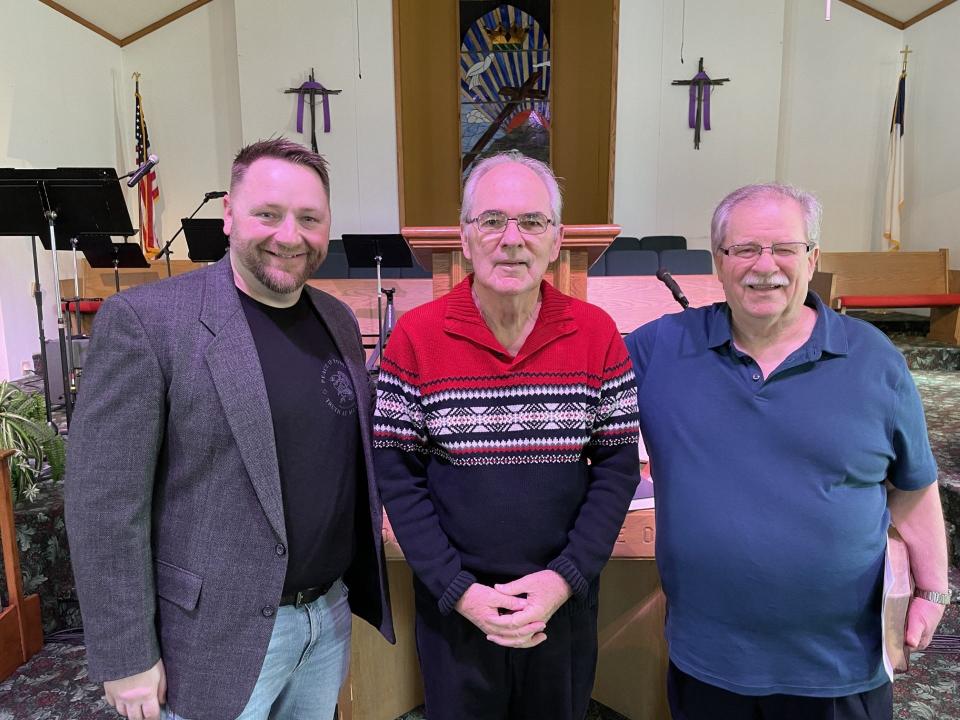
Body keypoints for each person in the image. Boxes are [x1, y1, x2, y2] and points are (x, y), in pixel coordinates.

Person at [65, 138, 393, 720]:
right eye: (268, 213)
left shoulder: (338, 321)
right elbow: (103, 503)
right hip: (209, 636)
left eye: (309, 219)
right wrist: (125, 655)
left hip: (326, 620)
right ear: (230, 216)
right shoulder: (148, 323)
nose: (289, 235)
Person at [625, 183, 949, 720]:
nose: (764, 267)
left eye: (784, 249)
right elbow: (574, 386)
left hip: (838, 669)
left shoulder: (873, 358)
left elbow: (913, 486)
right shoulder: (663, 350)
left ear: (812, 257)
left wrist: (934, 590)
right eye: (744, 249)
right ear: (718, 261)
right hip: (709, 661)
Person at [372, 151, 640, 719]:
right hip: (457, 614)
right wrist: (459, 590)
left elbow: (616, 469)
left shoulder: (597, 335)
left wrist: (564, 581)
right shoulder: (415, 339)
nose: (511, 239)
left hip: (560, 610)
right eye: (492, 220)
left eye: (532, 222)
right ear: (466, 238)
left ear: (557, 237)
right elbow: (398, 478)